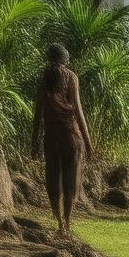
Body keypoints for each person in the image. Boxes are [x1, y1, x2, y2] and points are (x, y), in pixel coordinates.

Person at [31, 44, 94, 236]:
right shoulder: (71, 77)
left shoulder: (44, 80)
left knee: (53, 178)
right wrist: (88, 142)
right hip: (71, 136)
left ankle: (58, 221)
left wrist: (34, 142)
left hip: (51, 137)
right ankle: (67, 223)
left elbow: (37, 115)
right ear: (65, 59)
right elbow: (78, 111)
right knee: (70, 180)